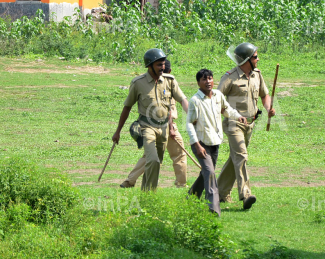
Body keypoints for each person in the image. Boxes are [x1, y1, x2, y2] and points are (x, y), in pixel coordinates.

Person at [112, 49, 188, 191]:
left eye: (163, 64)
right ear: (150, 65)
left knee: (156, 163)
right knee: (152, 159)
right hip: (147, 127)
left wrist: (192, 116)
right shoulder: (138, 83)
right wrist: (117, 132)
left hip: (164, 128)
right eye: (159, 65)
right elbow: (127, 108)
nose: (162, 67)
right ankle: (146, 190)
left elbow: (183, 99)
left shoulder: (169, 81)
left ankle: (147, 194)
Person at [217, 42, 276, 210]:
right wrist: (229, 114)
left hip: (251, 124)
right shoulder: (229, 77)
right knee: (241, 155)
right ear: (247, 60)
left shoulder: (257, 75)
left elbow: (265, 95)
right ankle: (246, 194)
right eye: (256, 57)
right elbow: (217, 100)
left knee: (235, 158)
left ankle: (219, 193)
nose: (258, 59)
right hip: (233, 124)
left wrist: (268, 108)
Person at [186, 69, 246, 216]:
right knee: (211, 173)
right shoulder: (195, 101)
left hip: (215, 143)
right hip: (201, 144)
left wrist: (238, 117)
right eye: (204, 79)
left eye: (210, 78)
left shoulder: (218, 96)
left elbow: (227, 110)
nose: (208, 82)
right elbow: (189, 124)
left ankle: (190, 197)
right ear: (198, 83)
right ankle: (213, 207)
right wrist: (196, 145)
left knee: (205, 174)